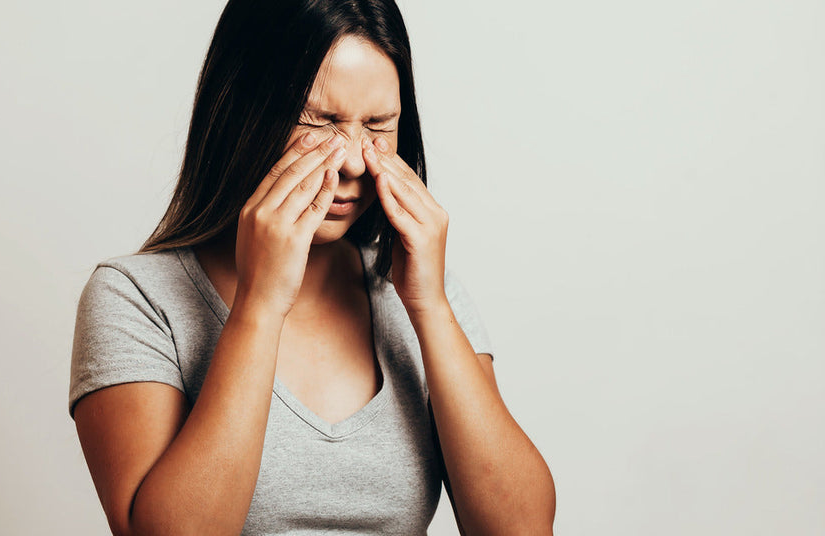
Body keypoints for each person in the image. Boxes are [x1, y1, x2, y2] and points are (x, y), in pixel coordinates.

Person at [68, 0, 556, 534]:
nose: (351, 161)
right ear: (240, 113)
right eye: (319, 121)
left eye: (378, 126)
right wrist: (259, 304)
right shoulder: (135, 298)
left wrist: (431, 307)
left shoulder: (421, 292)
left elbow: (523, 528)